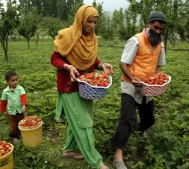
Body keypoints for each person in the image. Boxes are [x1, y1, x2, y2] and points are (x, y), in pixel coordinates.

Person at [51, 5, 113, 169]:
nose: (92, 26)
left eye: (95, 23)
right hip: (69, 86)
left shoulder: (91, 39)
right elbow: (55, 58)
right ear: (81, 20)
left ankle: (69, 150)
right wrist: (67, 66)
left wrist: (101, 65)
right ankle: (96, 161)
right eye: (89, 22)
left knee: (80, 120)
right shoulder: (67, 36)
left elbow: (89, 58)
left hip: (87, 86)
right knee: (83, 123)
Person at [111, 11, 167, 169]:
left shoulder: (160, 44)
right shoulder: (136, 40)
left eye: (161, 29)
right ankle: (117, 155)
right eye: (155, 27)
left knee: (149, 118)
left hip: (147, 87)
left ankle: (138, 129)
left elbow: (158, 67)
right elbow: (123, 63)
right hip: (130, 84)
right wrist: (131, 77)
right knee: (128, 118)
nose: (158, 31)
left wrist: (157, 79)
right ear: (148, 24)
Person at [0, 71, 28, 143]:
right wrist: (3, 110)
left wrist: (24, 105)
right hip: (12, 111)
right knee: (13, 124)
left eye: (17, 80)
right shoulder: (5, 91)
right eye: (12, 81)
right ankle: (14, 136)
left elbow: (23, 97)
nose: (15, 82)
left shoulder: (20, 89)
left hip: (20, 109)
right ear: (7, 81)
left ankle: (22, 133)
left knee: (22, 122)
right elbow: (3, 101)